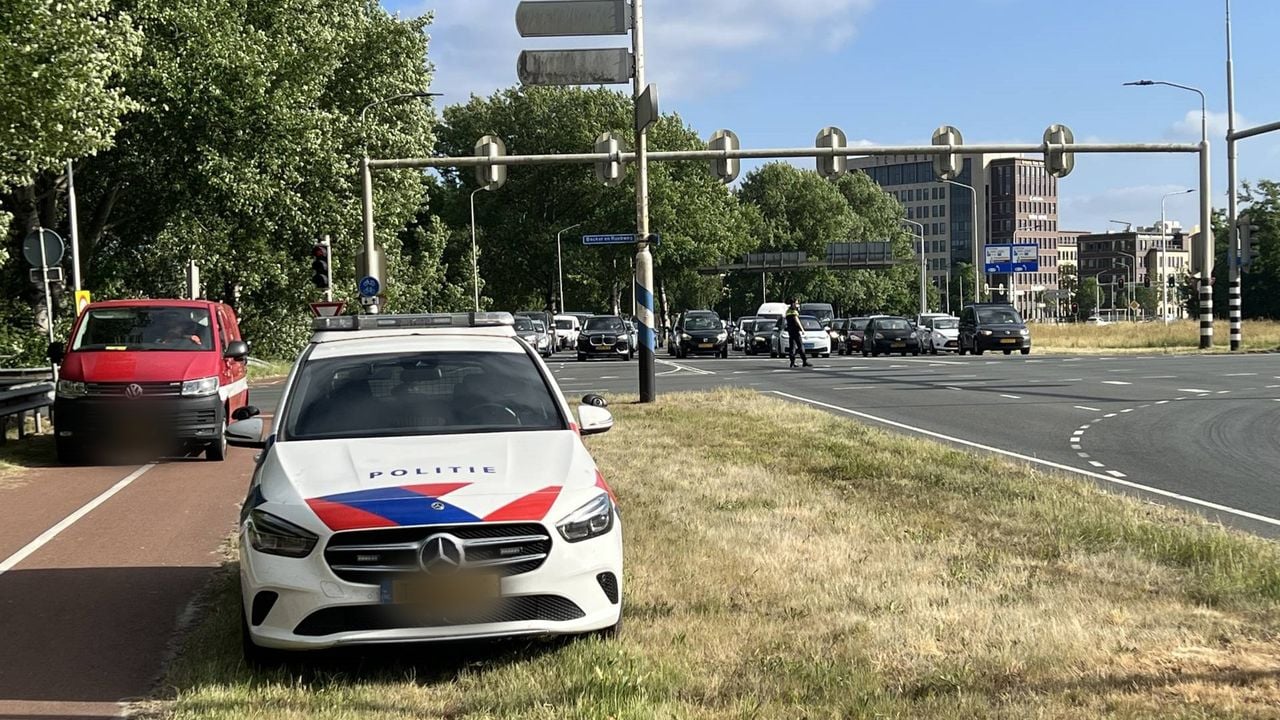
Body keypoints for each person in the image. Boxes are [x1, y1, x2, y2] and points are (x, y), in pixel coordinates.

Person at [785, 299, 810, 368]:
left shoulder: (787, 311)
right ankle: (804, 361)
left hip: (790, 331)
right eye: (796, 303)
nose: (797, 304)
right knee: (800, 346)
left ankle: (792, 362)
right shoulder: (794, 312)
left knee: (792, 347)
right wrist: (802, 330)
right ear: (793, 304)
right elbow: (797, 321)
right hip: (795, 331)